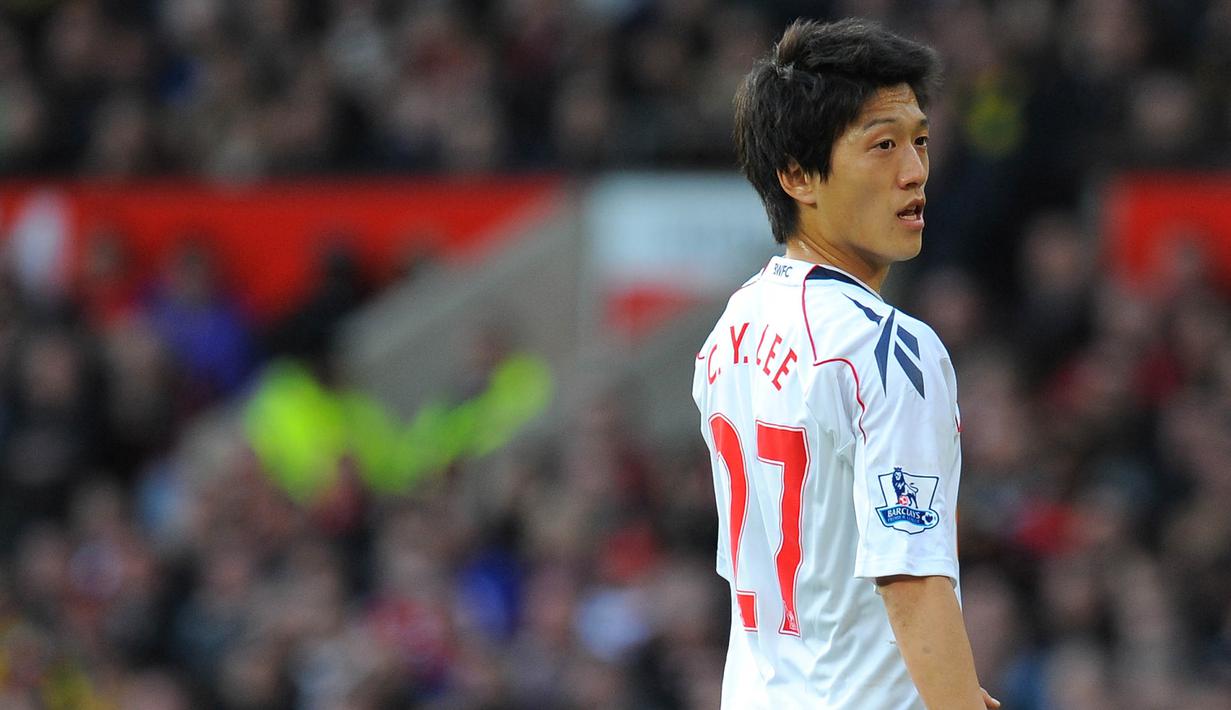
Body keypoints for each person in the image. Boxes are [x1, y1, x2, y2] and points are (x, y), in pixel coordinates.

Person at [692, 18, 1000, 709]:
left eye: (919, 141)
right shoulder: (887, 349)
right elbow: (912, 582)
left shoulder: (729, 331)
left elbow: (802, 577)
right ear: (797, 175)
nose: (915, 170)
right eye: (882, 145)